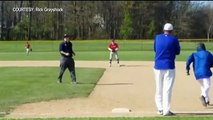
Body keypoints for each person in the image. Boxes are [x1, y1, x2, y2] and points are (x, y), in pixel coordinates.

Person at [154, 23, 180, 116]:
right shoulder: (174, 39)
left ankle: (160, 109)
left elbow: (155, 49)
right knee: (167, 89)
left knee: (158, 88)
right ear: (172, 31)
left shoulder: (157, 37)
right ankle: (166, 110)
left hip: (158, 66)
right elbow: (178, 52)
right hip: (169, 66)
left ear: (163, 29)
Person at [186, 42, 213, 107]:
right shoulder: (207, 53)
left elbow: (188, 61)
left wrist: (187, 69)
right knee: (207, 85)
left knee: (203, 86)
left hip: (197, 73)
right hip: (205, 72)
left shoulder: (194, 54)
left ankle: (206, 100)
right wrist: (210, 65)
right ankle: (203, 96)